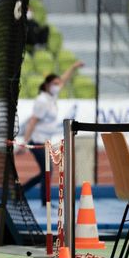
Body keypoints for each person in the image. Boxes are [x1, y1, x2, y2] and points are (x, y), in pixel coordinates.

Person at [20, 61, 84, 205]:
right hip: (37, 141)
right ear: (48, 85)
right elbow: (32, 121)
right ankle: (41, 200)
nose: (57, 86)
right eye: (54, 83)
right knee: (47, 171)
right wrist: (24, 142)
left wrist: (73, 67)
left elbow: (63, 80)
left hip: (45, 141)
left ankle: (23, 192)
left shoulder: (51, 96)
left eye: (57, 83)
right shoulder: (42, 101)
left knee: (46, 171)